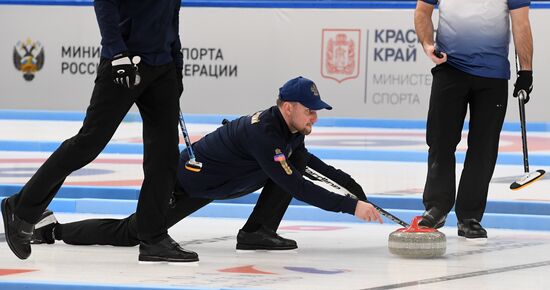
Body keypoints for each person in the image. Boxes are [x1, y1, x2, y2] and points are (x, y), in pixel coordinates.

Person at [29, 77, 383, 262]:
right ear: (289, 107)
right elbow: (298, 185)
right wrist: (350, 206)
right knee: (133, 233)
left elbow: (310, 166)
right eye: (310, 110)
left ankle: (257, 232)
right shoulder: (264, 134)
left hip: (221, 181)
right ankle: (52, 231)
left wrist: (351, 187)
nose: (315, 117)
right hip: (189, 182)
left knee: (294, 165)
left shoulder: (289, 131)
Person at [1, 0, 190, 263]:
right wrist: (116, 52)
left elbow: (172, 14)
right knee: (89, 143)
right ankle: (20, 207)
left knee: (165, 155)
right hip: (125, 62)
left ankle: (153, 237)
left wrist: (176, 62)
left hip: (163, 65)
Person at [414, 0, 533, 239]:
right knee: (440, 140)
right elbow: (422, 12)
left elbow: (520, 22)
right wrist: (427, 44)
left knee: (484, 148)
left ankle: (469, 216)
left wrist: (526, 72)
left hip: (493, 74)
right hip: (449, 67)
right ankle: (436, 207)